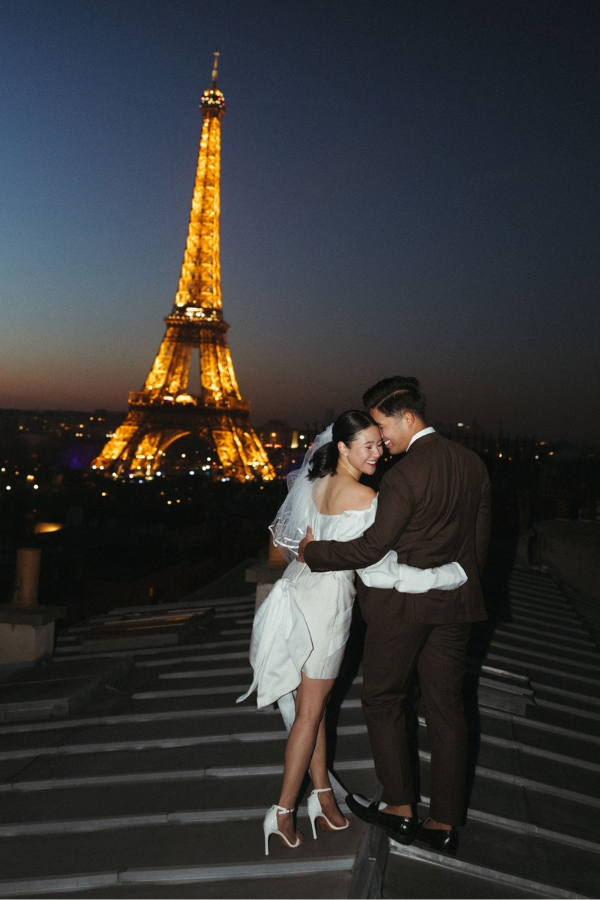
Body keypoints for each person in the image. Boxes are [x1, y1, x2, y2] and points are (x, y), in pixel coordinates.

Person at [238, 410, 468, 855]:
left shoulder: (315, 484)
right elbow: (381, 575)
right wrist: (446, 576)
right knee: (311, 711)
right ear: (342, 447)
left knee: (315, 706)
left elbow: (293, 548)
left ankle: (322, 795)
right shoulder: (365, 497)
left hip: (297, 591)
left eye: (380, 444)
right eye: (368, 445)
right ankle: (282, 810)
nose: (378, 453)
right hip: (327, 607)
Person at [299, 378, 491, 856]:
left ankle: (400, 808)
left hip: (401, 610)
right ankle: (445, 821)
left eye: (382, 426)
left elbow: (370, 547)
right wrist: (447, 578)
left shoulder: (403, 475)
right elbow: (478, 547)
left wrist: (312, 552)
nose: (380, 439)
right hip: (454, 605)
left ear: (408, 418)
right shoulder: (472, 464)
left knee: (384, 699)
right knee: (448, 709)